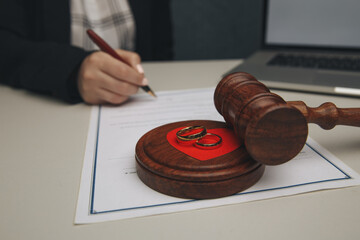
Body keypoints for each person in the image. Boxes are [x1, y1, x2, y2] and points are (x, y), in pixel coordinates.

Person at [0, 0, 173, 104]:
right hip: (46, 106)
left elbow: (161, 44)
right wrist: (74, 68)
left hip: (134, 99)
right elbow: (6, 45)